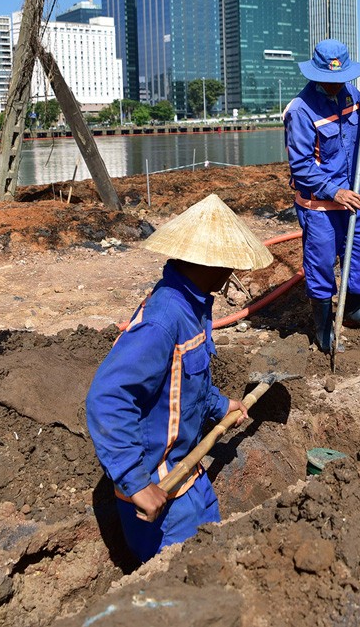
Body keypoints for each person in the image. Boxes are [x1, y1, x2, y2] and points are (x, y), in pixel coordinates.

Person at [85, 194, 273, 562]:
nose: (231, 273)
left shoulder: (194, 306)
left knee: (215, 561)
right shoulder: (163, 320)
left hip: (190, 474)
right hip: (159, 486)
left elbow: (186, 383)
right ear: (213, 264)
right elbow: (107, 399)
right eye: (230, 265)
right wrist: (137, 484)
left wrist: (220, 405)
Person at [284, 39, 360, 352]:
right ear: (315, 74)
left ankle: (352, 309)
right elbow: (300, 167)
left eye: (340, 79)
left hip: (354, 198)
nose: (334, 84)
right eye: (328, 79)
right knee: (321, 267)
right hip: (318, 206)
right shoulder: (300, 111)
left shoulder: (352, 94)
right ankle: (324, 328)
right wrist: (335, 191)